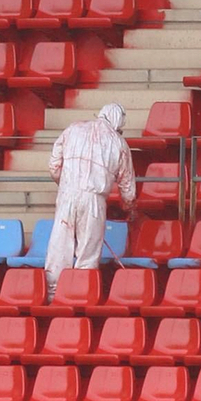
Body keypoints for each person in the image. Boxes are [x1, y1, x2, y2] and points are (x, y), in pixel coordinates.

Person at [45, 103, 136, 282]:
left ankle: (52, 294)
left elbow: (54, 166)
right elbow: (127, 186)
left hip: (67, 194)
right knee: (88, 252)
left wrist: (65, 184)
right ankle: (80, 293)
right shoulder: (119, 143)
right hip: (94, 200)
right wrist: (129, 206)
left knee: (59, 248)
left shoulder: (73, 129)